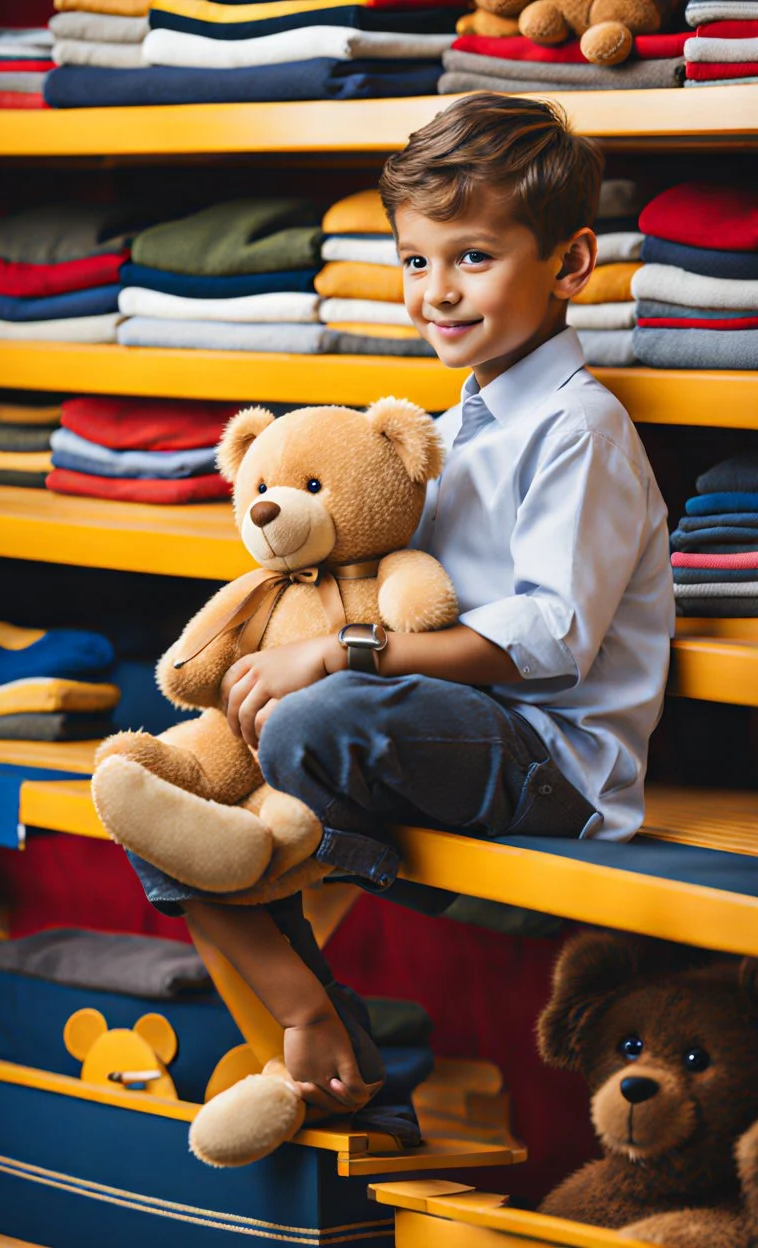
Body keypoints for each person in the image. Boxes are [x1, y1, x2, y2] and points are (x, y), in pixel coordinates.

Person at [130, 92, 674, 1125]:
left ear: (569, 264)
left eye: (472, 257)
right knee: (163, 771)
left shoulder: (578, 427)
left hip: (550, 757)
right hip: (436, 732)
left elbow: (550, 639)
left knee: (315, 718)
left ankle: (310, 889)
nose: (436, 292)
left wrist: (340, 654)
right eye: (416, 262)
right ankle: (309, 1008)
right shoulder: (440, 430)